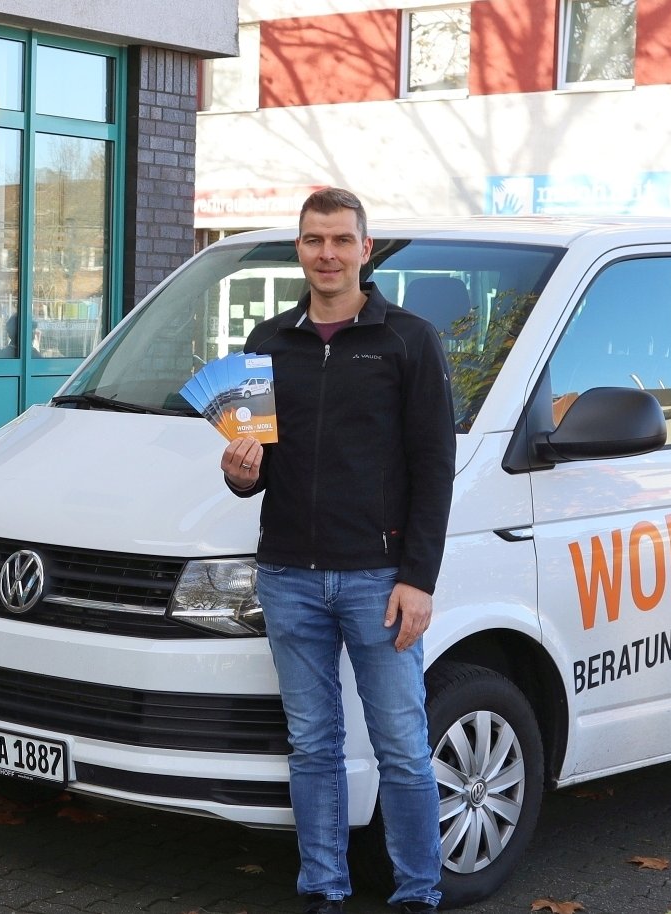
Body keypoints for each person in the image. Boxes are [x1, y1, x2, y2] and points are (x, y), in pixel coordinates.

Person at [219, 188, 454, 914]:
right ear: (300, 247)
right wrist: (237, 472)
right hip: (287, 574)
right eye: (314, 240)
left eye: (341, 240)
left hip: (378, 578)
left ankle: (418, 891)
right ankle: (324, 888)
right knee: (314, 744)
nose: (328, 254)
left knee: (402, 748)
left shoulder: (407, 339)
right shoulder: (268, 341)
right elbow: (251, 466)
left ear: (365, 247)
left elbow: (433, 465)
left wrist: (417, 578)